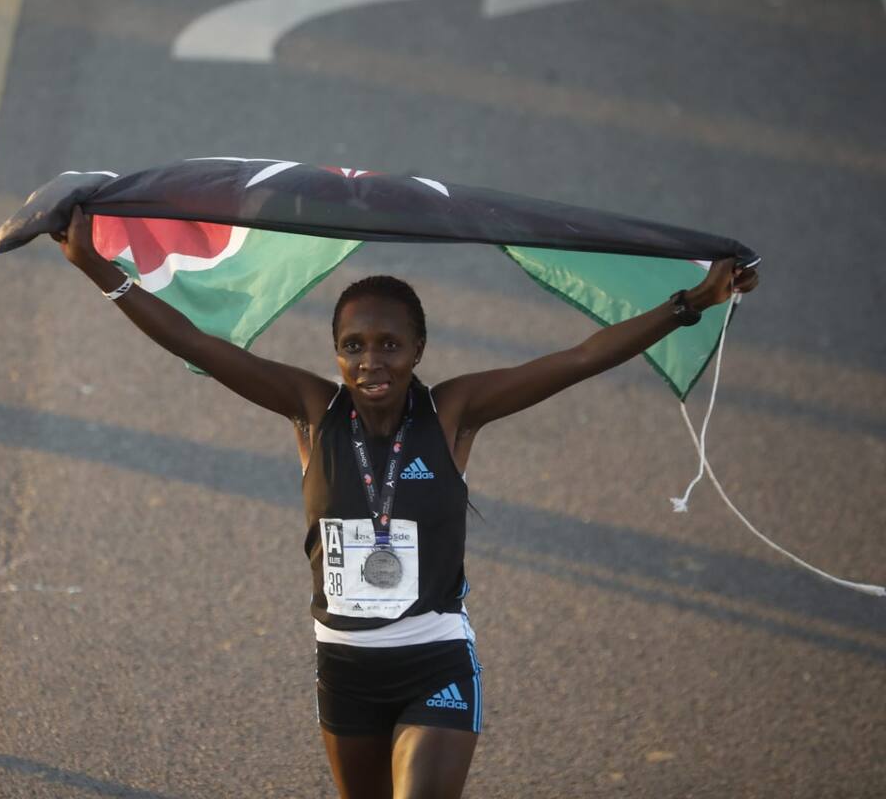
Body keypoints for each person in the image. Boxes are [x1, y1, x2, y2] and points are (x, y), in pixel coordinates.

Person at [53, 207, 758, 798]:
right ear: (334, 354)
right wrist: (93, 266)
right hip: (345, 671)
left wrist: (689, 303)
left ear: (419, 347)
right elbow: (194, 341)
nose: (371, 361)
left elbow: (576, 360)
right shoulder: (308, 409)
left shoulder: (455, 411)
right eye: (353, 346)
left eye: (390, 344)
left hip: (435, 661)